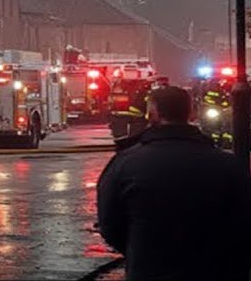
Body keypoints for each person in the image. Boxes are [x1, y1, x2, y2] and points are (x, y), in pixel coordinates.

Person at [97, 85, 251, 281]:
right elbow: (245, 221)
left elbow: (110, 224)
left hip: (150, 269)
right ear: (192, 114)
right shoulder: (229, 165)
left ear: (152, 114)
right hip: (218, 270)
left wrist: (139, 248)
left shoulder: (125, 163)